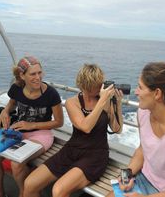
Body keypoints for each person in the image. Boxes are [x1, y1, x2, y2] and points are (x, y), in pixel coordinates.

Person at [24, 63, 123, 197]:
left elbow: (117, 129)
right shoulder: (72, 102)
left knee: (58, 191)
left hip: (95, 154)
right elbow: (85, 126)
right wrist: (102, 102)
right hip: (72, 149)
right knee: (30, 184)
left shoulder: (105, 100)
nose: (101, 87)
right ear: (85, 85)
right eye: (96, 84)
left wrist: (118, 103)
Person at [107, 62, 165, 197]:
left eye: (140, 87)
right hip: (143, 178)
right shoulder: (143, 113)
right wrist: (126, 175)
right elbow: (142, 149)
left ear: (157, 93)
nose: (135, 92)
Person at [0, 56, 64, 197]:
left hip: (41, 134)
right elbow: (12, 103)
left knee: (17, 162)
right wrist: (5, 111)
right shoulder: (16, 88)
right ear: (22, 76)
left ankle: (25, 193)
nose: (38, 77)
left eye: (40, 73)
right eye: (33, 74)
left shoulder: (51, 94)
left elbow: (59, 122)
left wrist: (31, 124)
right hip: (18, 131)